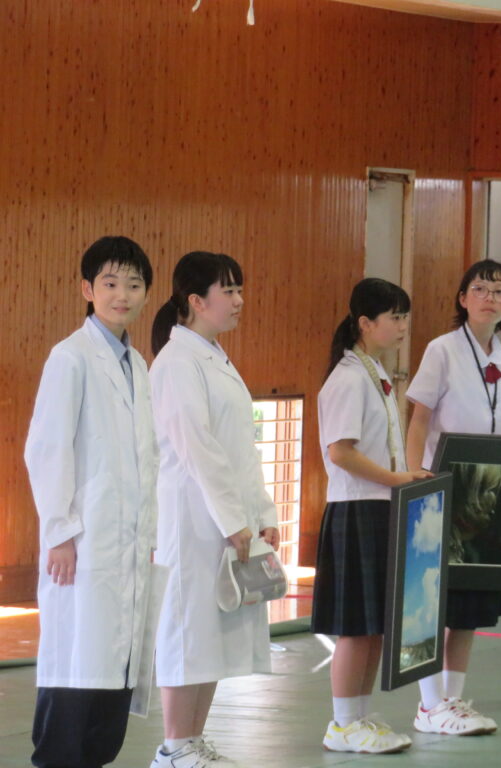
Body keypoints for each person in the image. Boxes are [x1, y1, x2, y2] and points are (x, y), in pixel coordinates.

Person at [24, 236, 159, 768]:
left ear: (146, 292)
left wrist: (148, 533)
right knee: (77, 669)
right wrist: (59, 532)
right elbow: (47, 449)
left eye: (134, 284)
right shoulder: (70, 358)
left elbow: (146, 459)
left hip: (127, 548)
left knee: (112, 682)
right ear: (87, 289)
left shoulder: (138, 365)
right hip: (83, 545)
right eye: (110, 283)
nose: (122, 294)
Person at [149, 251, 280, 767]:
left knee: (213, 632)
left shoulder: (215, 357)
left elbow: (241, 447)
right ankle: (173, 746)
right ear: (196, 301)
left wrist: (262, 513)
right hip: (192, 519)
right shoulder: (176, 362)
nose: (240, 301)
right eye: (229, 291)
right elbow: (197, 447)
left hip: (226, 519)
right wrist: (233, 520)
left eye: (240, 289)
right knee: (188, 629)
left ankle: (192, 740)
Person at [314, 277, 429, 754]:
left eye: (405, 317)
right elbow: (340, 452)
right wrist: (397, 479)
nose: (403, 326)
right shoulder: (347, 377)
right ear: (365, 323)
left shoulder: (375, 373)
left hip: (381, 507)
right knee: (355, 627)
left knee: (376, 623)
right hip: (357, 510)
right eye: (394, 317)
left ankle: (359, 714)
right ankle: (342, 723)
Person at [404, 260, 501, 735]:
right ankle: (429, 704)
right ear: (463, 298)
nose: (490, 297)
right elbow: (419, 419)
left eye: (500, 291)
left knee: (470, 604)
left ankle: (452, 699)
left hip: (484, 489)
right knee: (432, 599)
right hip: (442, 482)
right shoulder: (443, 349)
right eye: (480, 289)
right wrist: (415, 477)